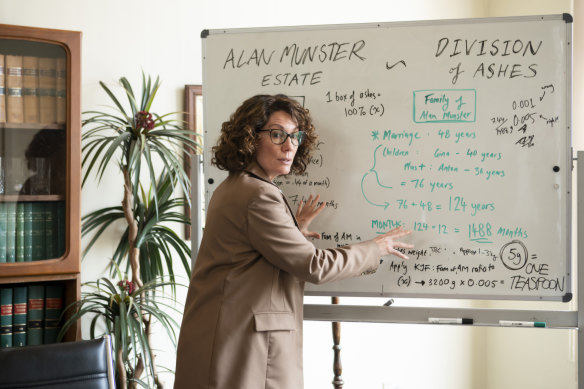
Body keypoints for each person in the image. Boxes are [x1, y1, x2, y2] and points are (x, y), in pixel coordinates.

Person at [174, 94, 413, 389]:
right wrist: (374, 249)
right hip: (243, 346)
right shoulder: (258, 195)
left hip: (226, 337)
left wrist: (293, 231)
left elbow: (250, 256)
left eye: (295, 136)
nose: (289, 146)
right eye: (277, 135)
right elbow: (314, 266)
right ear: (249, 138)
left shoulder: (235, 186)